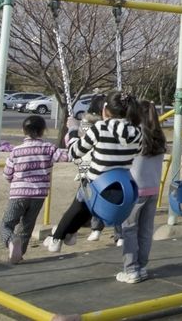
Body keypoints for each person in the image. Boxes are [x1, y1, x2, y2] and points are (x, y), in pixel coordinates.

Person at [43, 92, 141, 253]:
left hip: (97, 183)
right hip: (121, 189)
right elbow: (137, 152)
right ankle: (70, 234)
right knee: (88, 206)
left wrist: (73, 129)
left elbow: (75, 152)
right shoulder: (137, 132)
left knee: (80, 201)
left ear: (105, 110)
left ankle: (56, 238)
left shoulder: (100, 128)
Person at [0, 115, 68, 264]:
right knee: (26, 227)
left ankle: (11, 240)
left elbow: (7, 174)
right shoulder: (48, 148)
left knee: (5, 225)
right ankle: (18, 255)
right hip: (38, 196)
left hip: (19, 195)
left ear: (23, 131)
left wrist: (14, 180)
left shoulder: (16, 151)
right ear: (43, 130)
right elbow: (67, 156)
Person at [119, 100, 166, 283]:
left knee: (129, 230)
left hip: (134, 190)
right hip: (153, 189)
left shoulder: (134, 135)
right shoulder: (159, 136)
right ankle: (142, 267)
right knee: (146, 230)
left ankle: (131, 269)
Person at [79, 95, 123, 246]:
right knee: (117, 201)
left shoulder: (86, 123)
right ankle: (119, 235)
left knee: (96, 198)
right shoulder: (105, 126)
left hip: (90, 167)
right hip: (106, 167)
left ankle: (96, 229)